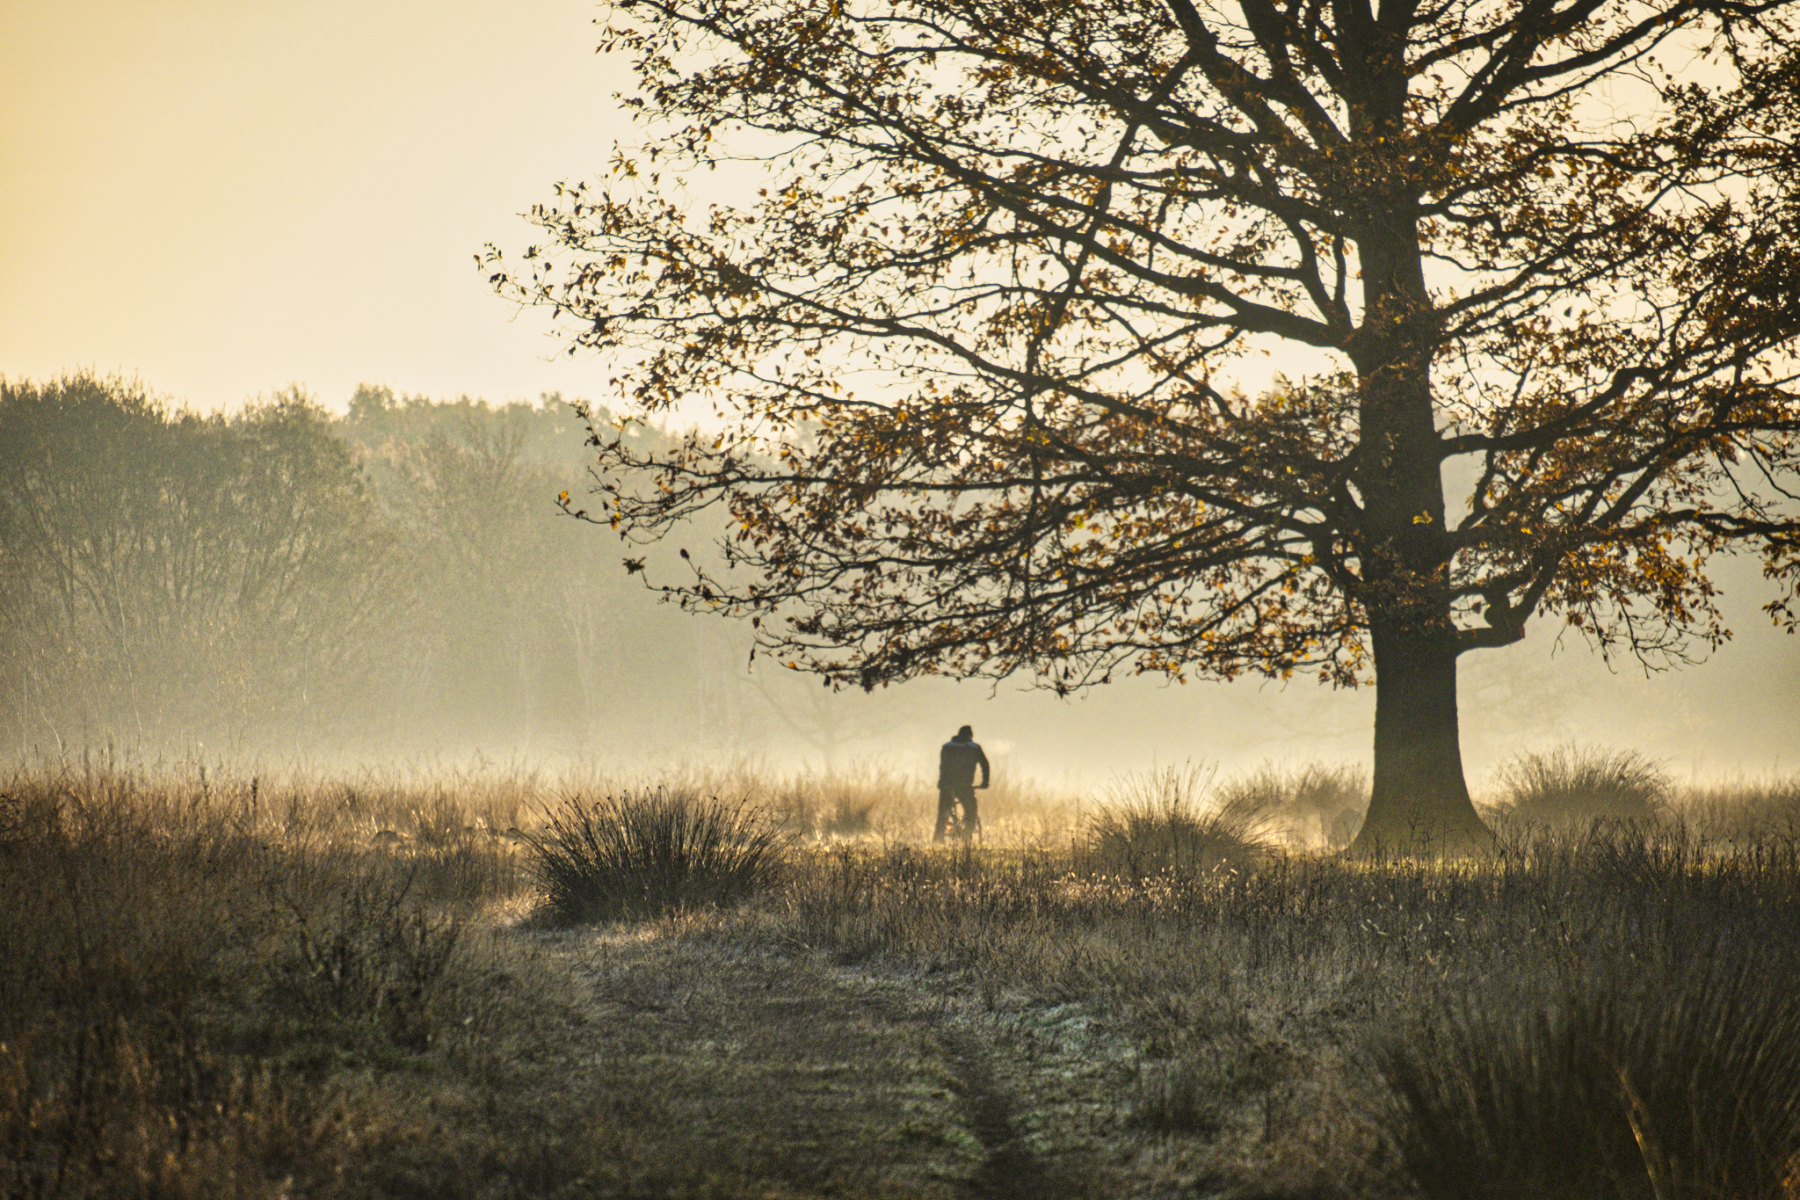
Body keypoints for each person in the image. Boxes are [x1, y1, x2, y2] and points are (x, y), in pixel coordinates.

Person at [935, 725, 990, 843]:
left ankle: (938, 838)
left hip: (946, 785)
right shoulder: (974, 748)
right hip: (964, 786)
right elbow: (985, 764)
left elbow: (943, 765)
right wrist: (984, 782)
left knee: (943, 813)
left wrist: (942, 782)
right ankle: (966, 834)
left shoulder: (947, 747)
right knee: (971, 810)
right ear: (970, 736)